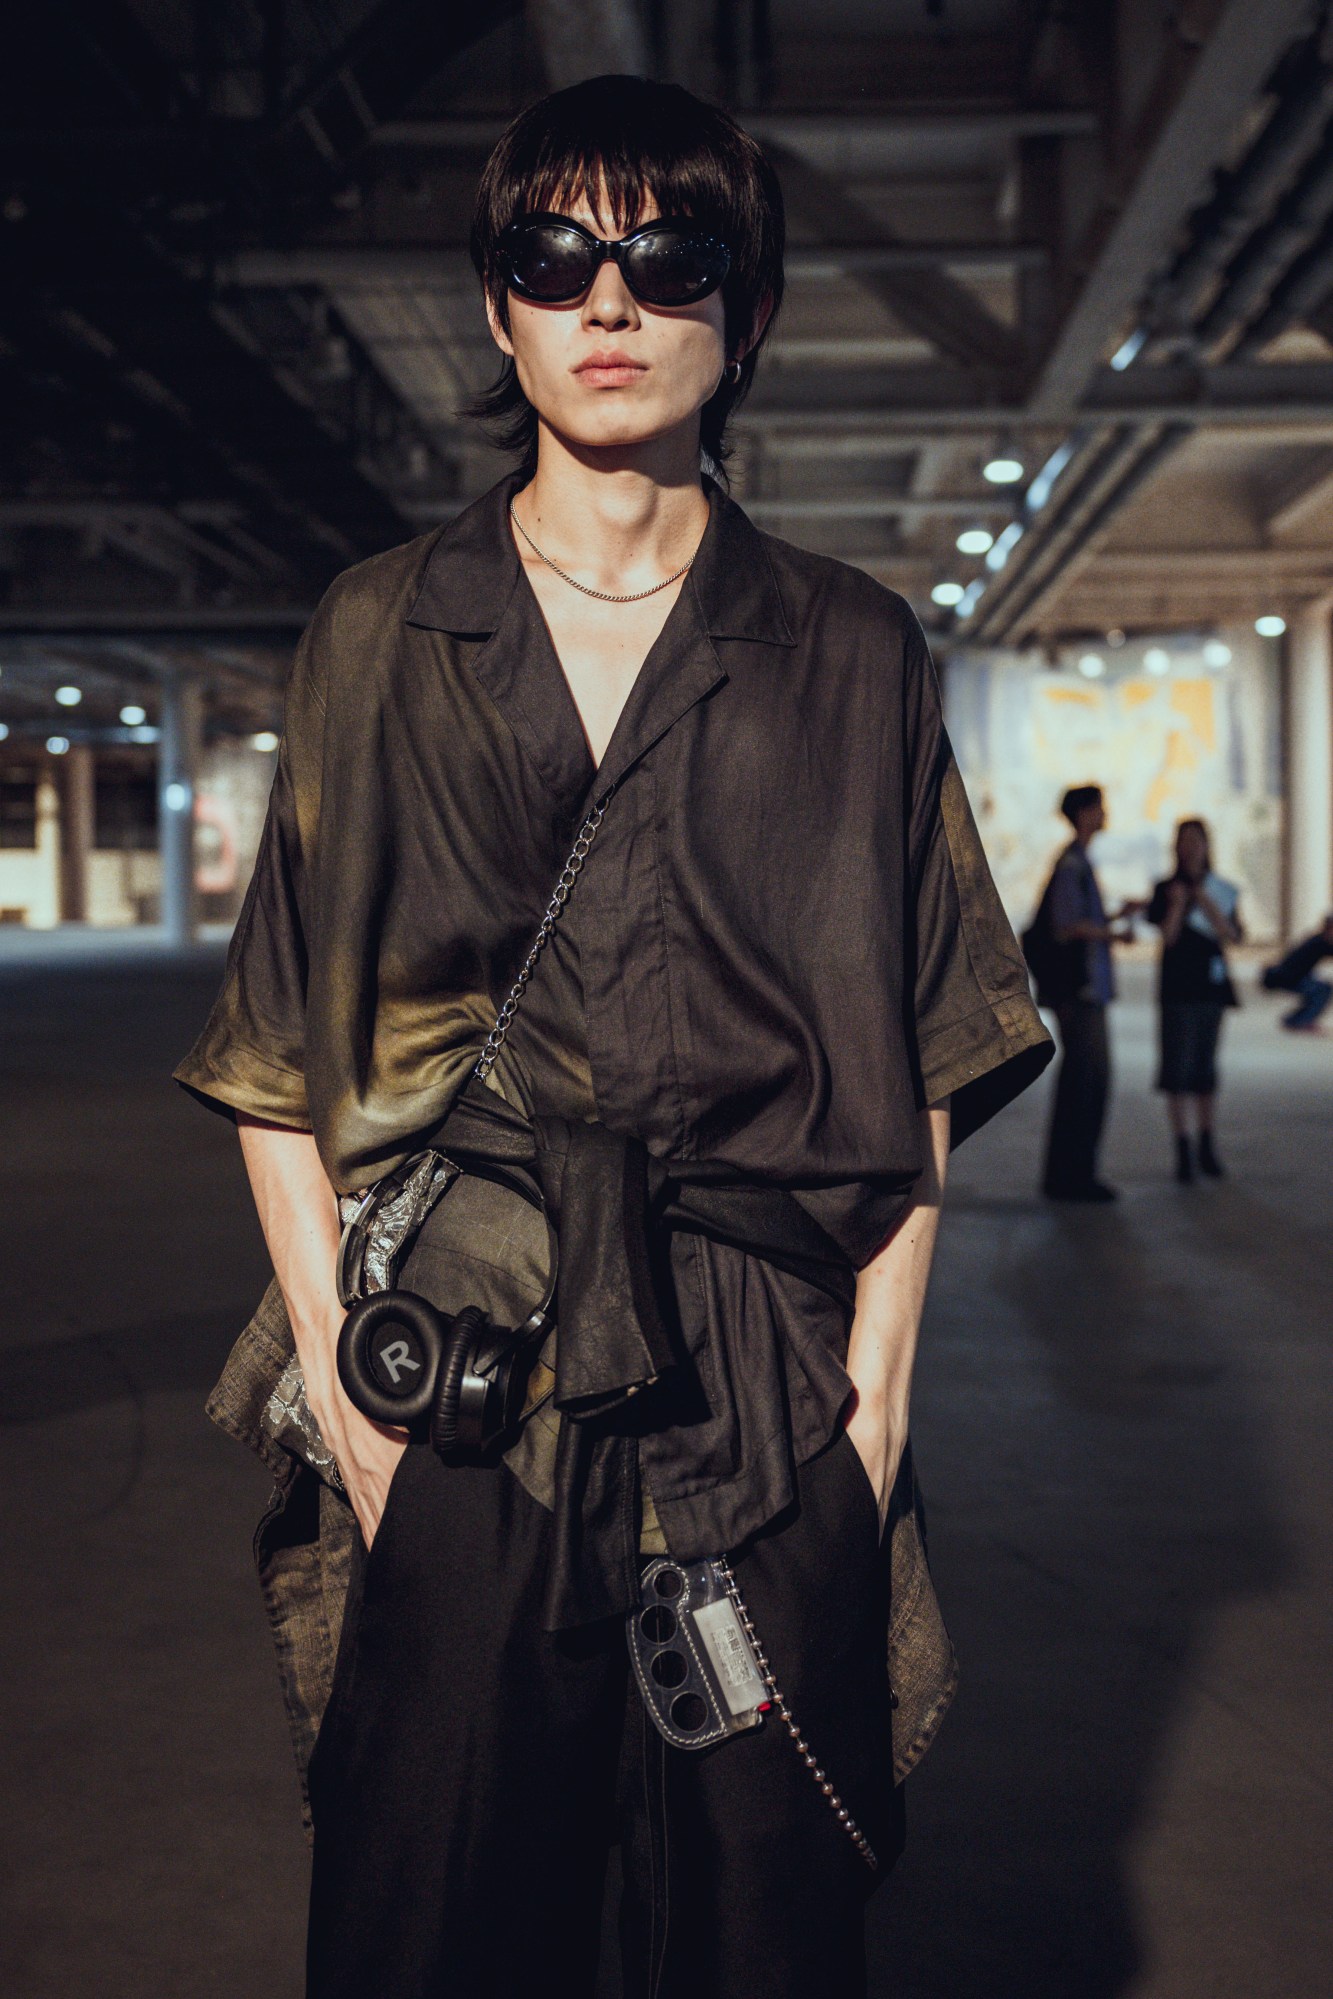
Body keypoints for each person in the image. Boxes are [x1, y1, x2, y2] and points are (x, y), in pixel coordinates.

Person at [174, 74, 1051, 1999]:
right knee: (434, 1918)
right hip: (466, 1378)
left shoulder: (849, 646)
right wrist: (339, 1378)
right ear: (496, 306)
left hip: (758, 1375)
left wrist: (877, 1400)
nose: (608, 297)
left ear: (742, 308)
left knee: (756, 1928)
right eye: (551, 252)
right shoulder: (380, 631)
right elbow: (271, 1052)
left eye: (671, 256)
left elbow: (920, 1042)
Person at [1032, 784, 1142, 1202]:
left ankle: (1071, 1173)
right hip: (1078, 991)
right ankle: (1073, 1176)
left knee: (1085, 1078)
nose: (1104, 813)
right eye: (1099, 807)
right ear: (1084, 813)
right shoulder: (1072, 863)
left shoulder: (1077, 861)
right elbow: (1066, 926)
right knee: (1088, 1079)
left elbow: (1077, 918)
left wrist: (1113, 916)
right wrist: (1112, 932)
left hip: (1084, 989)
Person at [1146, 818, 1242, 1182]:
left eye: (1197, 841)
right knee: (1177, 1071)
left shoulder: (1220, 890)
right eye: (1184, 841)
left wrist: (1208, 905)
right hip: (1176, 990)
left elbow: (1232, 935)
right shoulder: (1165, 888)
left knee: (1206, 1068)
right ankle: (1182, 1149)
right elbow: (1166, 937)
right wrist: (1177, 905)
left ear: (1206, 845)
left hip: (1211, 991)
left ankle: (1207, 1144)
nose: (1191, 848)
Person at [1261, 914, 1333, 1030]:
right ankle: (1302, 1021)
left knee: (1319, 988)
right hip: (1286, 978)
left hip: (1289, 976)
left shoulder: (1318, 940)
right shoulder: (1320, 942)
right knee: (1322, 990)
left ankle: (1294, 1019)